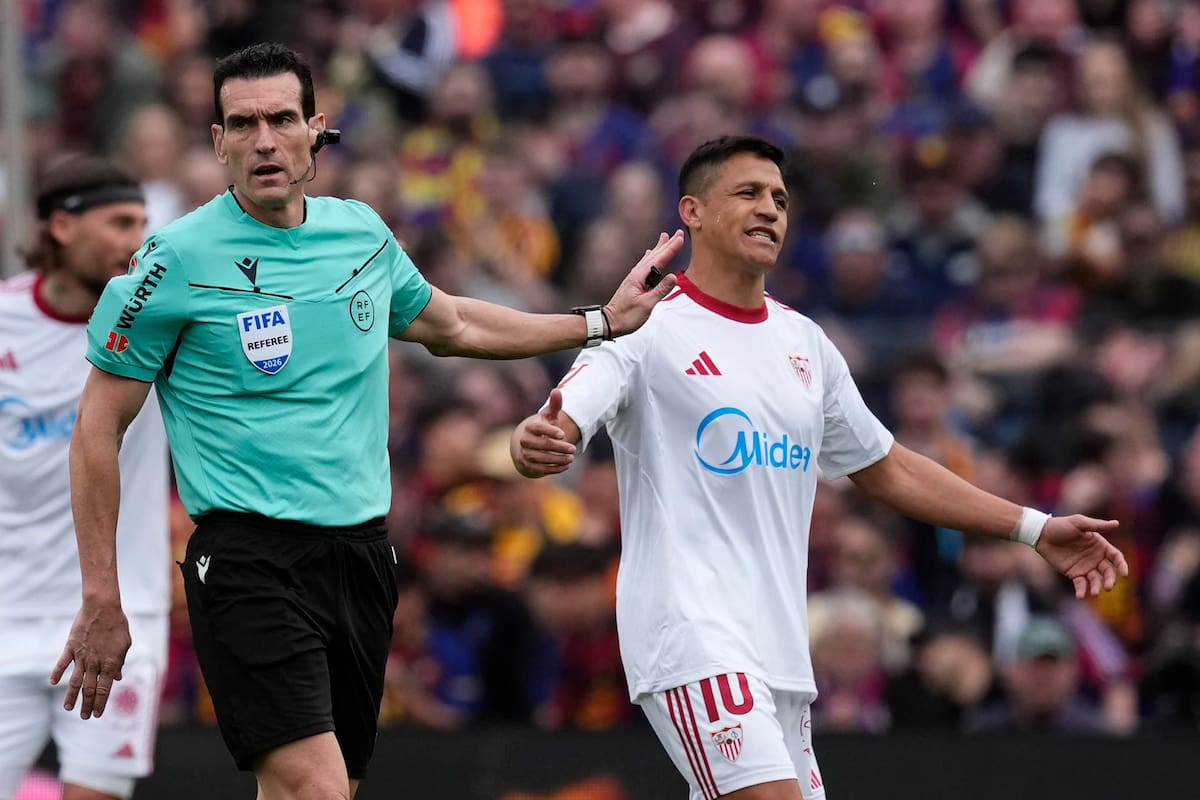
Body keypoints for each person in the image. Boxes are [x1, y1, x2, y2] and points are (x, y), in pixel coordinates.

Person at [50, 43, 682, 800]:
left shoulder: (361, 235)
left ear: (315, 129)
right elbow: (96, 430)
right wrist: (100, 594)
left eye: (282, 119)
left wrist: (600, 321)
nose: (264, 142)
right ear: (216, 142)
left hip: (360, 557)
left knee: (320, 792)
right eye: (242, 124)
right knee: (315, 788)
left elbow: (453, 325)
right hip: (248, 560)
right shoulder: (172, 263)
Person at [510, 135, 1128, 800]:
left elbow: (888, 466)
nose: (770, 209)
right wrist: (536, 440)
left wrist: (1035, 529)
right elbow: (561, 415)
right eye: (748, 193)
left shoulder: (804, 343)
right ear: (692, 211)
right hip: (691, 635)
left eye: (779, 199)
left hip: (780, 654)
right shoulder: (647, 325)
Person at [0, 156, 168, 800]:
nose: (138, 242)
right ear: (63, 228)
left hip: (121, 617)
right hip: (8, 612)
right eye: (121, 222)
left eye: (145, 224)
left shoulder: (160, 324)